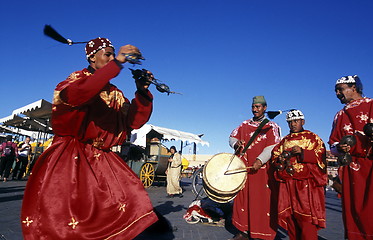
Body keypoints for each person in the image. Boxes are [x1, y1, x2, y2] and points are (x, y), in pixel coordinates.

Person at [21, 37, 158, 239]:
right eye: (108, 54)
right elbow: (79, 94)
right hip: (72, 155)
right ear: (92, 57)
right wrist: (117, 63)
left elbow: (133, 122)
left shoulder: (116, 94)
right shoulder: (76, 80)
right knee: (71, 215)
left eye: (114, 54)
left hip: (103, 158)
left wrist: (142, 91)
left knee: (126, 202)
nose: (112, 58)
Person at [229, 96, 281, 240]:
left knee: (260, 201)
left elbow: (273, 146)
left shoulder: (271, 126)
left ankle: (261, 232)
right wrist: (236, 144)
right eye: (253, 107)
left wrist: (261, 159)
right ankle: (242, 231)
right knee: (242, 200)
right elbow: (232, 137)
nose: (255, 109)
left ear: (265, 108)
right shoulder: (244, 124)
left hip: (261, 170)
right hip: (244, 168)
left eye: (258, 107)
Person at [328, 75, 373, 240]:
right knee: (353, 213)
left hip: (371, 165)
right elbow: (332, 146)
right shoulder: (339, 115)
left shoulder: (372, 105)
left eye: (340, 89)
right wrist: (339, 148)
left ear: (354, 88)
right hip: (351, 169)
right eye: (336, 91)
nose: (337, 94)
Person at [272, 109, 327, 240]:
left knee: (306, 220)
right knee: (291, 218)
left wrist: (303, 153)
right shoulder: (284, 141)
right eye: (290, 122)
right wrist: (279, 160)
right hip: (288, 184)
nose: (293, 124)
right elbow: (275, 156)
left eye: (295, 121)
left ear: (303, 121)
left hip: (306, 186)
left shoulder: (312, 137)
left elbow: (321, 156)